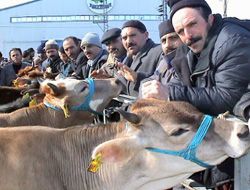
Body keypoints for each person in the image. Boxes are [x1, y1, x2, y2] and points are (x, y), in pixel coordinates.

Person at [142, 0, 250, 116]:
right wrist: (159, 93)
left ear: (210, 19)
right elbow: (178, 83)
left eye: (192, 24)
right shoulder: (186, 51)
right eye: (180, 31)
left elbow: (228, 98)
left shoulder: (232, 42)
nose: (188, 36)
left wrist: (170, 94)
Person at [117, 20, 162, 97]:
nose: (129, 41)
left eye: (133, 35)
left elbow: (165, 82)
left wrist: (138, 78)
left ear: (146, 35)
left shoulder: (159, 51)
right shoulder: (128, 58)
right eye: (124, 38)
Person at [140, 19, 183, 88]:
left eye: (173, 38)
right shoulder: (163, 63)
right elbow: (149, 81)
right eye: (163, 41)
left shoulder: (189, 61)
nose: (167, 45)